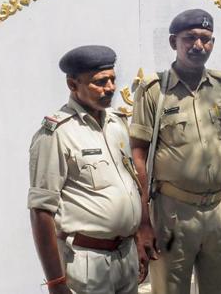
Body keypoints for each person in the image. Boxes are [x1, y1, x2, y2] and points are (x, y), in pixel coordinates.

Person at [129, 8, 221, 294]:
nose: (198, 45)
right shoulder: (153, 91)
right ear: (173, 42)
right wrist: (143, 222)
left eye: (206, 39)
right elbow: (137, 155)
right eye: (190, 38)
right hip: (174, 214)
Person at [28, 45, 144, 294]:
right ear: (73, 85)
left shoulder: (117, 123)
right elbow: (41, 211)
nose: (111, 88)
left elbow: (131, 185)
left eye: (112, 79)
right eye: (100, 82)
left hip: (126, 256)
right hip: (87, 264)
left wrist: (139, 236)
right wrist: (56, 282)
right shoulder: (56, 133)